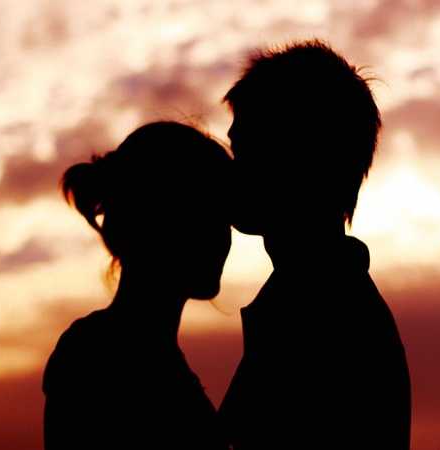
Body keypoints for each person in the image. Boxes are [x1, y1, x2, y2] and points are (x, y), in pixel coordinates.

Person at [218, 40, 412, 449]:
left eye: (243, 150)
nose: (230, 174)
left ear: (294, 157)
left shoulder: (322, 319)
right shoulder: (314, 302)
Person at [42, 121, 231, 449]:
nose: (221, 237)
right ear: (159, 221)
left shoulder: (130, 350)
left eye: (224, 219)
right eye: (207, 215)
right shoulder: (100, 355)